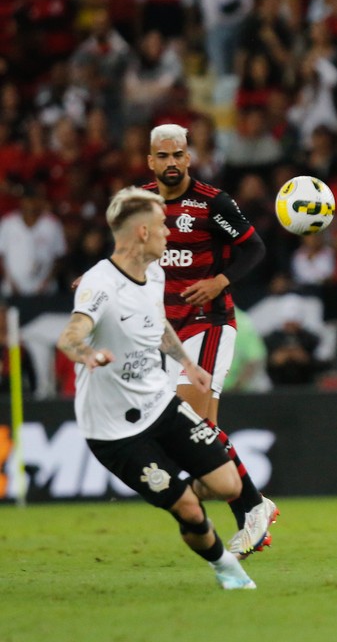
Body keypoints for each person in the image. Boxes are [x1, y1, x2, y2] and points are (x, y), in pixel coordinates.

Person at [56, 187, 257, 589]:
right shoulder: (99, 284)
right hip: (113, 428)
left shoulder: (155, 273)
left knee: (227, 484)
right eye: (164, 225)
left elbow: (158, 325)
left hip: (159, 404)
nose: (171, 232)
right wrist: (87, 355)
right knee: (189, 508)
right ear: (143, 232)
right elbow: (70, 337)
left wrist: (187, 364)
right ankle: (225, 568)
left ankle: (186, 499)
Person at [142, 123, 277, 558]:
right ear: (151, 161)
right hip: (168, 332)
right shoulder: (140, 204)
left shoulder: (211, 202)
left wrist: (220, 280)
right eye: (163, 156)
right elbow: (128, 254)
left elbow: (254, 248)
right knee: (200, 435)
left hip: (209, 323)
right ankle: (250, 505)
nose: (171, 163)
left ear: (188, 156)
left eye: (178, 154)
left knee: (186, 423)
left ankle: (253, 506)